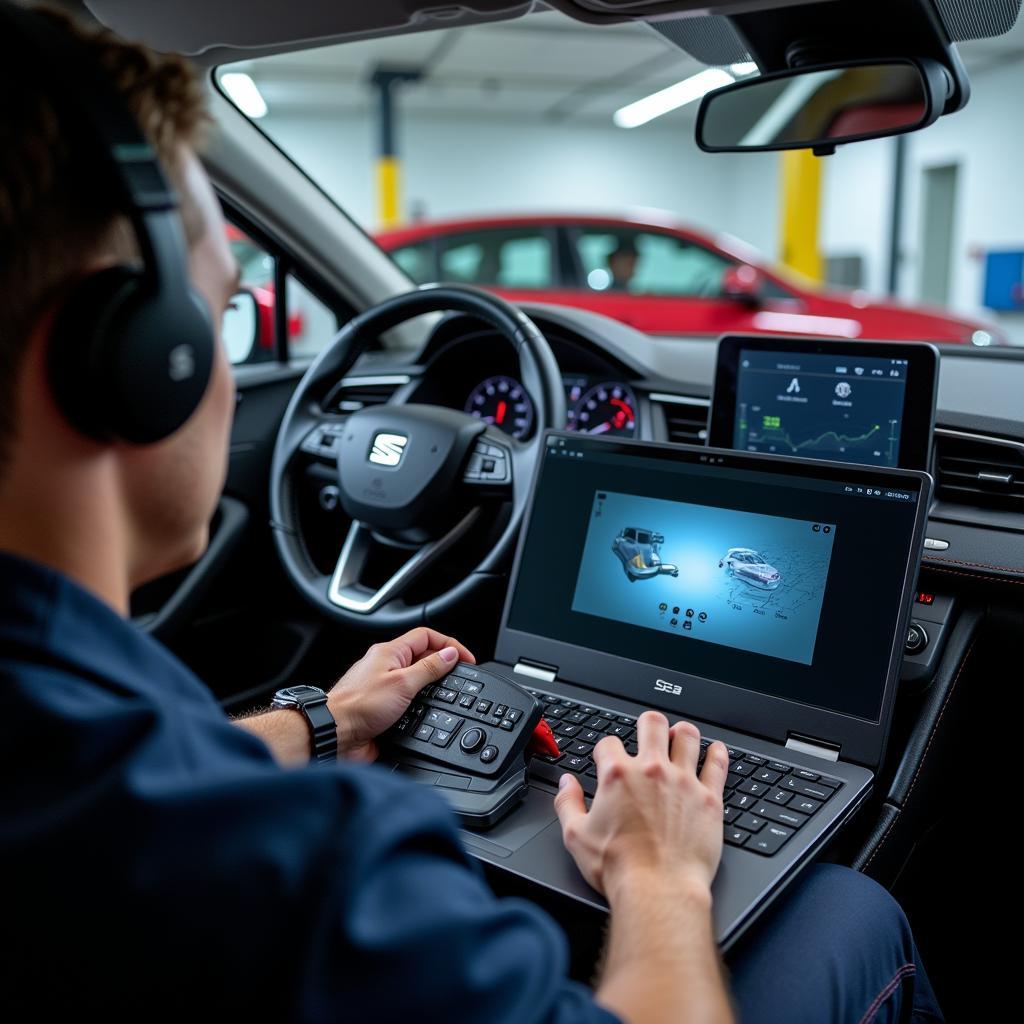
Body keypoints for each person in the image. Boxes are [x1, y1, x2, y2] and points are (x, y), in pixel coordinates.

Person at [0, 8, 944, 1022]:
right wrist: (658, 873)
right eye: (219, 319)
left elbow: (145, 765)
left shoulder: (69, 743)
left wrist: (324, 718)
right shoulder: (315, 876)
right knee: (851, 907)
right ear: (134, 360)